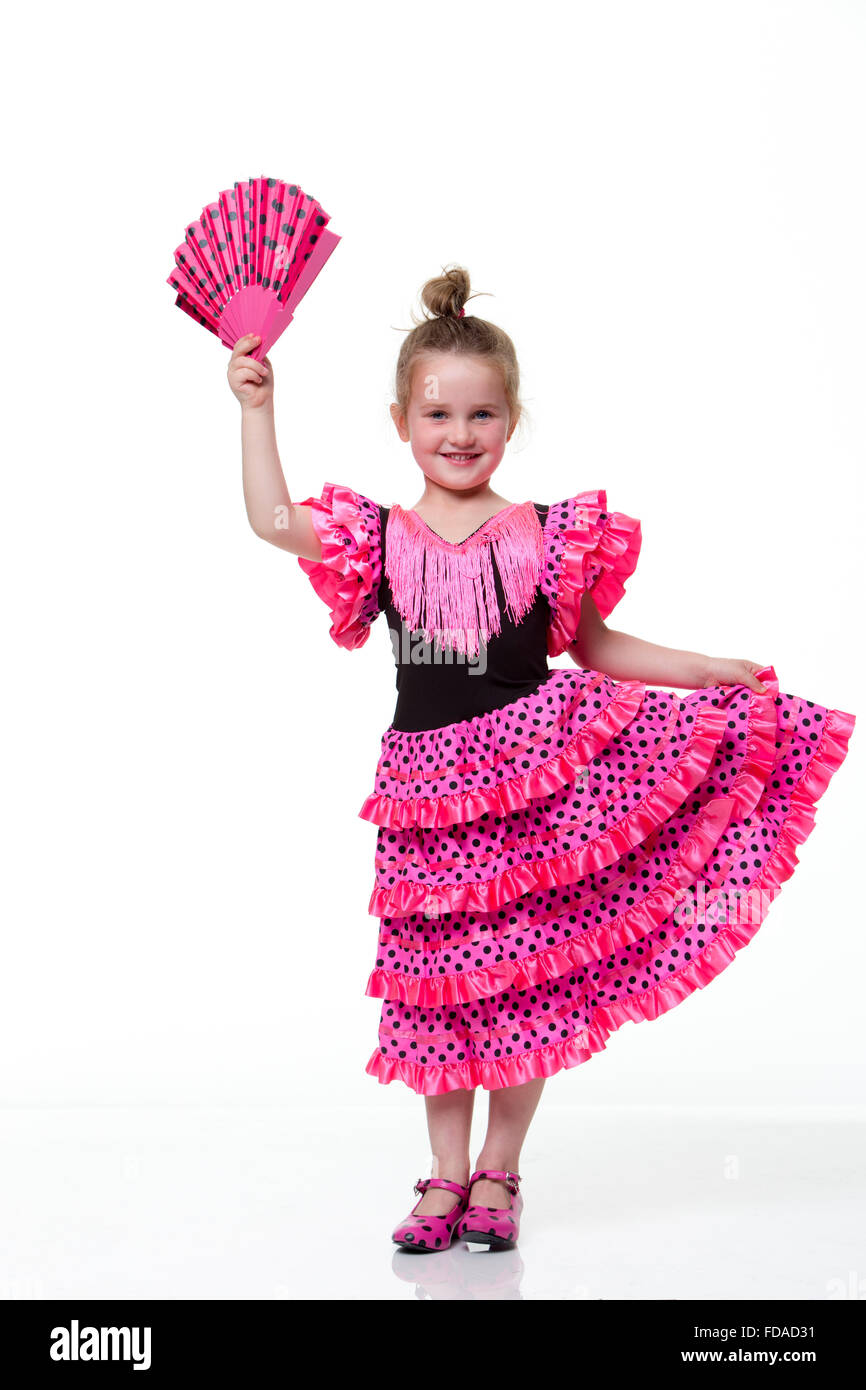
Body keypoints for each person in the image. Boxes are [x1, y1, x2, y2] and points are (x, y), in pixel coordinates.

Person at [228, 264, 856, 1254]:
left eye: (481, 413)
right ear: (400, 421)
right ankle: (440, 1178)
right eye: (438, 413)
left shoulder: (545, 537)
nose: (459, 433)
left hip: (534, 779)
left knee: (522, 980)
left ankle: (499, 1173)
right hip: (427, 794)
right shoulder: (377, 537)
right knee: (435, 979)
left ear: (509, 420)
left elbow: (597, 647)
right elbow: (271, 523)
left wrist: (707, 670)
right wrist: (256, 410)